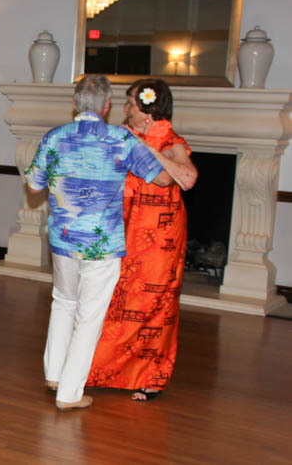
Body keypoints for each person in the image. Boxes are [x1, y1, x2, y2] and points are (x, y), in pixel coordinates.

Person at [25, 74, 194, 411]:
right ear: (106, 106)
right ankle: (69, 393)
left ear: (74, 104)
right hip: (102, 244)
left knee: (63, 303)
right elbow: (163, 178)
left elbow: (32, 187)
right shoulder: (120, 139)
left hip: (63, 239)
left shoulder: (54, 137)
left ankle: (54, 374)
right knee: (89, 316)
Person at [87, 79, 198, 401]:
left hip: (160, 235)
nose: (125, 110)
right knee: (116, 299)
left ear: (147, 112)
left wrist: (149, 151)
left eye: (131, 105)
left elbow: (188, 178)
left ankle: (150, 376)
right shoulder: (122, 135)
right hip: (125, 227)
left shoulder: (171, 141)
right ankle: (101, 370)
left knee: (154, 303)